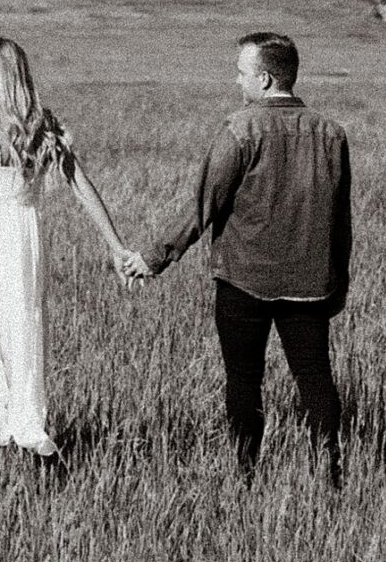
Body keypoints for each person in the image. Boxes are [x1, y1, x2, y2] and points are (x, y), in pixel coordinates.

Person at [123, 32, 351, 482]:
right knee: (316, 378)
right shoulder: (331, 134)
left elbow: (202, 207)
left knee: (244, 382)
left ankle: (246, 475)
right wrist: (337, 283)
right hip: (310, 285)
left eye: (242, 73)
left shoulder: (240, 129)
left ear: (265, 79)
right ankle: (332, 475)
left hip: (243, 281)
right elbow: (340, 219)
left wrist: (154, 258)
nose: (237, 82)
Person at [0, 37, 134, 467]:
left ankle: (0, 476)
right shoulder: (43, 124)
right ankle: (29, 429)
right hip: (24, 240)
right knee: (21, 338)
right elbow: (81, 186)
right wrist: (115, 245)